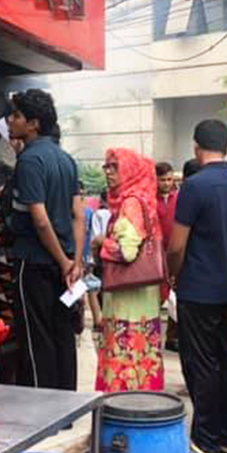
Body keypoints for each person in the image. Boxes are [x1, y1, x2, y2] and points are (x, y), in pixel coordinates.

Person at [167, 120, 227, 453]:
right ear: (226, 146)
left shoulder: (195, 186)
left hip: (198, 287)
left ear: (197, 147)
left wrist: (173, 274)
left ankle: (204, 441)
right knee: (225, 360)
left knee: (200, 365)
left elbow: (176, 245)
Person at [4, 89, 86, 390]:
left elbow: (39, 219)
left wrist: (64, 261)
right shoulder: (66, 160)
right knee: (63, 335)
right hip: (65, 268)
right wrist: (73, 262)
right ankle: (66, 407)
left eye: (16, 115)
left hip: (36, 262)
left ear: (33, 123)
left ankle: (44, 414)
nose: (11, 121)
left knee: (36, 339)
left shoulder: (29, 161)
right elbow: (79, 215)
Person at [90, 149, 165, 392]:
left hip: (128, 304)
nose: (108, 172)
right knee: (141, 364)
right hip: (142, 299)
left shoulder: (131, 203)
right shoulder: (143, 200)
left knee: (127, 363)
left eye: (114, 166)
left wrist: (102, 242)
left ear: (130, 170)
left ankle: (124, 418)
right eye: (106, 166)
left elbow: (126, 252)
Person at [155, 162, 178, 242]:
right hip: (157, 247)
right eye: (162, 180)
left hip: (174, 245)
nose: (166, 184)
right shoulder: (151, 200)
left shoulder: (179, 198)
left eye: (169, 179)